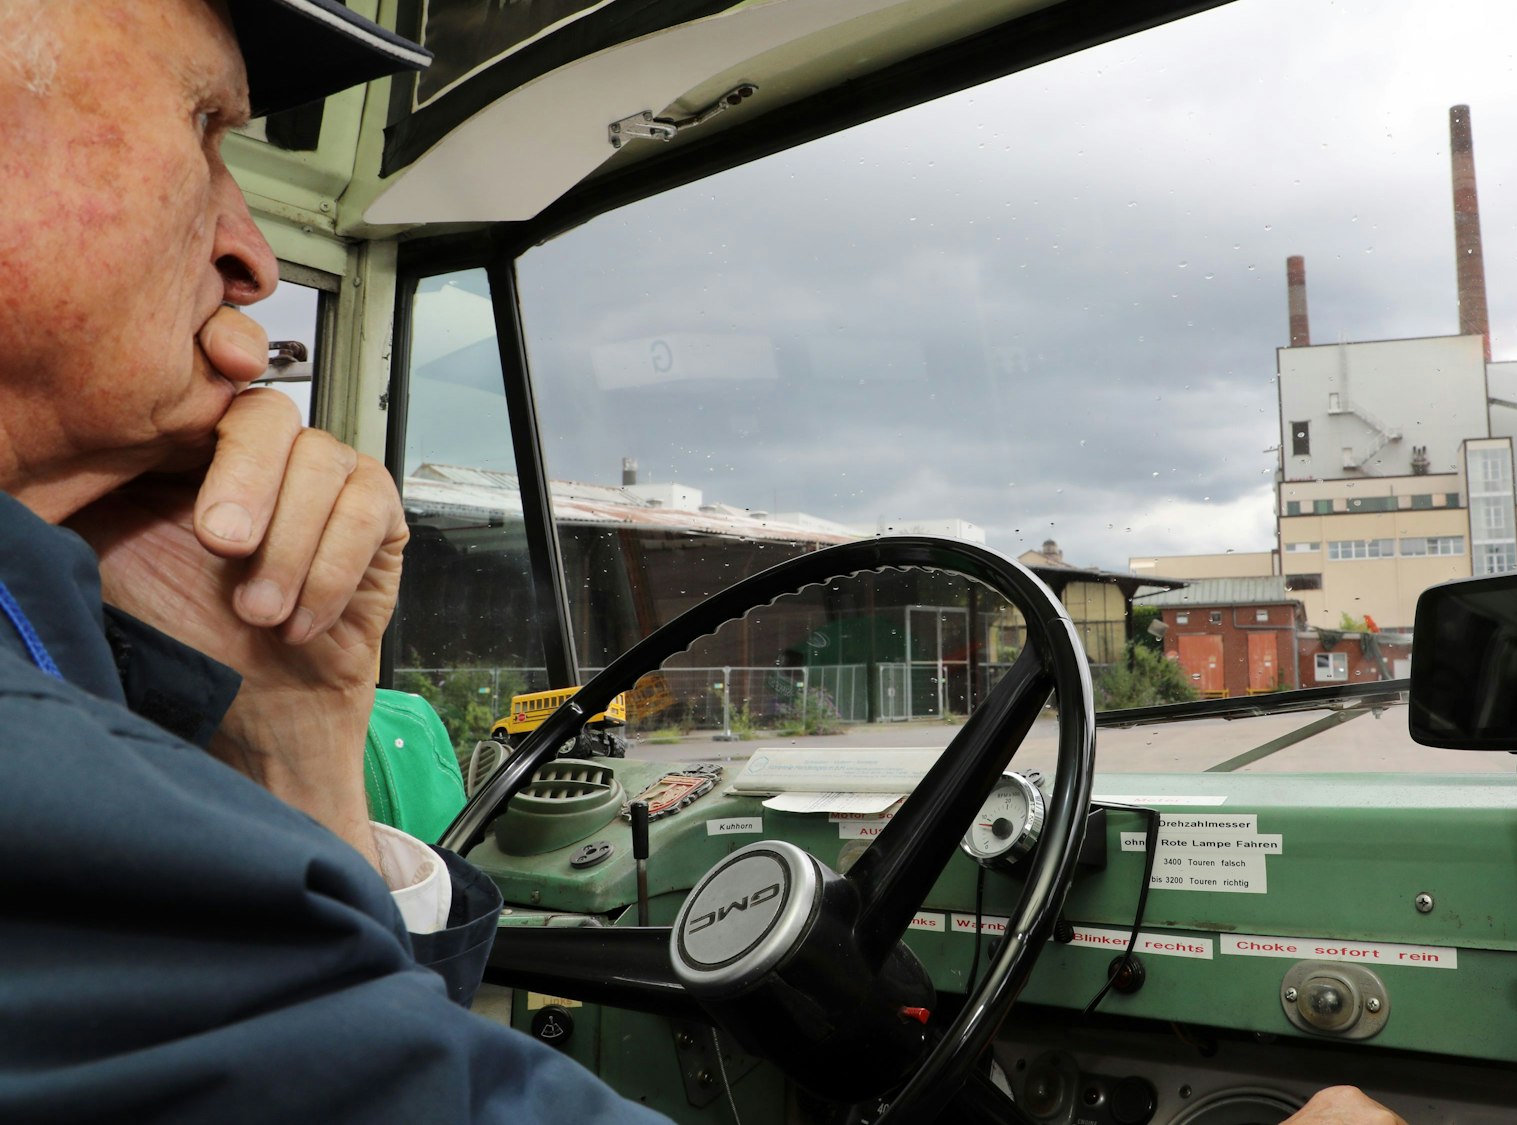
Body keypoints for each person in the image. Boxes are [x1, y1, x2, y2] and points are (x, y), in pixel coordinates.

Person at [0, 3, 1407, 1123]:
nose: (251, 253)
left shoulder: (57, 667)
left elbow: (338, 1056)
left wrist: (302, 752)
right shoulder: (49, 776)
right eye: (206, 128)